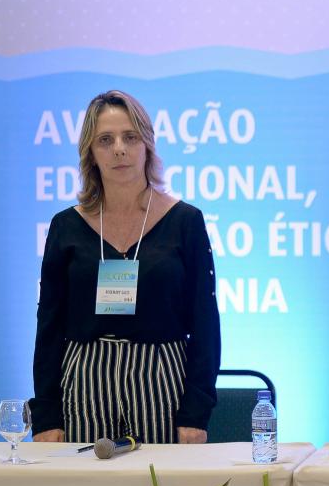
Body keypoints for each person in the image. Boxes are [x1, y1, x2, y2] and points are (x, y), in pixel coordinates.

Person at [32, 90, 219, 444]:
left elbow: (205, 323)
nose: (119, 149)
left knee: (157, 482)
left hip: (161, 381)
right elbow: (49, 327)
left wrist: (196, 411)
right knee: (85, 481)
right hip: (84, 383)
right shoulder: (66, 227)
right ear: (90, 152)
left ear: (147, 145)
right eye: (105, 140)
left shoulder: (185, 222)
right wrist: (46, 415)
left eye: (130, 137)